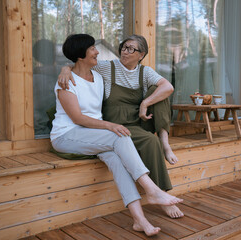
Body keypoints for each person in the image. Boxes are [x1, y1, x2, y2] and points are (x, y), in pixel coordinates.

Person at [51, 34, 183, 236]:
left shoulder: (97, 78)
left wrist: (67, 67)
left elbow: (82, 71)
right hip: (67, 136)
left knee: (117, 160)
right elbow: (77, 118)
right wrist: (65, 69)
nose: (97, 51)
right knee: (120, 136)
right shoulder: (66, 82)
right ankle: (152, 190)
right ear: (80, 54)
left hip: (93, 134)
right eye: (93, 48)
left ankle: (140, 221)